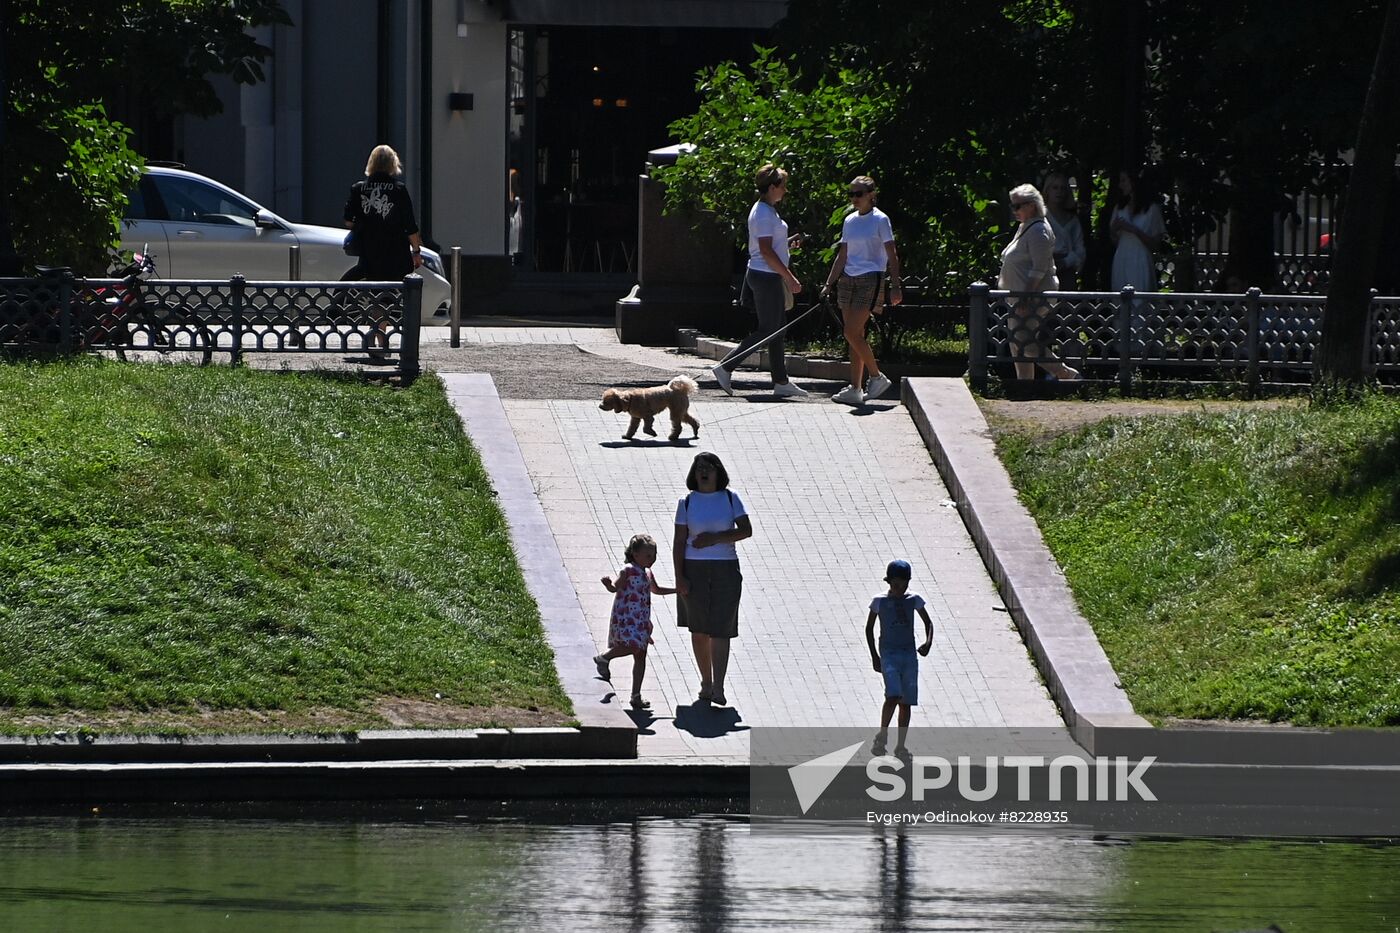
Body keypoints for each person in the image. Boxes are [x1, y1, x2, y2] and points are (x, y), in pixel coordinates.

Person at [712, 164, 808, 399]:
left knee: (777, 329)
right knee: (769, 330)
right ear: (773, 187)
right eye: (783, 186)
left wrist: (787, 243)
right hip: (766, 276)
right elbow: (764, 251)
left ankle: (781, 381)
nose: (785, 191)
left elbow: (767, 246)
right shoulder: (764, 213)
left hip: (766, 274)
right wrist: (790, 277)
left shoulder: (767, 210)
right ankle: (725, 366)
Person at [672, 452, 752, 708]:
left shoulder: (730, 498)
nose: (704, 472)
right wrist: (679, 577)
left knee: (720, 629)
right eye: (699, 469)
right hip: (693, 570)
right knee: (699, 630)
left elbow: (746, 530)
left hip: (725, 569)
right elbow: (679, 541)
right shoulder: (687, 502)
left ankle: (719, 686)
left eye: (709, 468)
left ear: (719, 473)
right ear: (694, 475)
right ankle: (705, 682)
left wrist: (714, 539)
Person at [821, 175, 903, 406]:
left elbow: (891, 254)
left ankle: (877, 377)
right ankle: (855, 388)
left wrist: (895, 285)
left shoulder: (880, 220)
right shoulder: (849, 220)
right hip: (848, 279)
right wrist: (829, 283)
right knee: (855, 336)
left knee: (851, 332)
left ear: (871, 195)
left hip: (870, 278)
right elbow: (843, 254)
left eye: (859, 194)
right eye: (851, 194)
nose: (854, 198)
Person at [344, 144, 424, 356]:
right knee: (396, 297)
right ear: (392, 164)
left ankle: (379, 338)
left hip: (370, 252)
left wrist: (367, 221)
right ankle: (394, 342)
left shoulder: (358, 188)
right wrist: (416, 251)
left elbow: (348, 221)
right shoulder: (399, 190)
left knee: (376, 295)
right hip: (396, 251)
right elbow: (410, 225)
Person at [998, 183, 1081, 381]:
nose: (1014, 210)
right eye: (1013, 206)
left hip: (1031, 296)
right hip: (1017, 295)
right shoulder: (1025, 227)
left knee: (1024, 341)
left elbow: (1039, 268)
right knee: (1016, 342)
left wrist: (1026, 297)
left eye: (1017, 206)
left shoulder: (1039, 231)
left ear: (1032, 205)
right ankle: (1025, 384)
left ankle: (1066, 374)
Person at [593, 533, 676, 711]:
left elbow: (657, 589)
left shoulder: (647, 572)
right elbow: (616, 586)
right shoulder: (628, 570)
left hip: (641, 619)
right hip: (626, 617)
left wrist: (677, 590)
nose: (652, 559)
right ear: (635, 554)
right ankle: (604, 658)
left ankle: (635, 695)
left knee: (640, 656)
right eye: (648, 555)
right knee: (633, 646)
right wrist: (608, 585)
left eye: (654, 555)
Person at [865, 559, 933, 759]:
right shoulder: (879, 601)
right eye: (896, 584)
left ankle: (900, 746)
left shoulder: (914, 600)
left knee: (906, 701)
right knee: (893, 694)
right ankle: (882, 734)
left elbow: (928, 622)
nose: (900, 588)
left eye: (904, 584)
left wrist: (928, 643)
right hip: (889, 653)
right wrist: (875, 656)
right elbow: (869, 628)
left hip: (909, 655)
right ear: (889, 582)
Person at [1109, 168, 1165, 292]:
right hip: (1122, 258)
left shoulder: (1151, 209)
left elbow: (1156, 244)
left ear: (1134, 182)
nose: (1120, 185)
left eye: (1124, 181)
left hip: (1141, 260)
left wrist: (1134, 230)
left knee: (1140, 299)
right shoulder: (1120, 208)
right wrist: (1114, 229)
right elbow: (1115, 240)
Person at [1042, 172, 1085, 289]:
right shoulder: (1040, 217)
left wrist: (1067, 262)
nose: (1059, 192)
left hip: (1067, 271)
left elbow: (1080, 248)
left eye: (1063, 188)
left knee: (1068, 305)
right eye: (1055, 187)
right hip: (1045, 269)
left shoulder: (1072, 219)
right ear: (1047, 190)